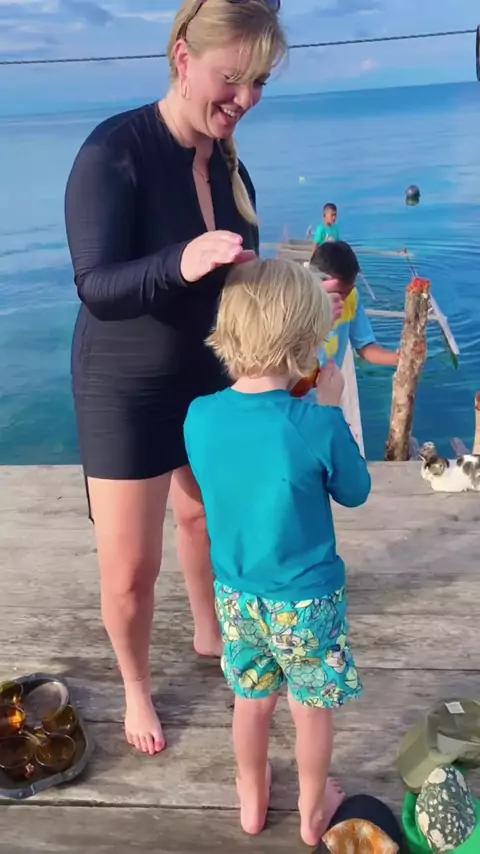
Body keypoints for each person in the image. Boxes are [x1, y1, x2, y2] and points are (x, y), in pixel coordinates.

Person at [64, 0, 287, 756]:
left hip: (208, 371)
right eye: (233, 78)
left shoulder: (229, 164)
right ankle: (135, 684)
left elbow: (237, 275)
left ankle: (208, 630)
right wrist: (178, 261)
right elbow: (96, 285)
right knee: (132, 570)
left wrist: (294, 298)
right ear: (184, 58)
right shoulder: (114, 152)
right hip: (124, 384)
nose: (245, 99)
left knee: (203, 521)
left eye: (259, 83)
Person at [184, 258, 370, 845]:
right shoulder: (314, 423)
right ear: (304, 342)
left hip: (237, 596)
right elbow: (355, 490)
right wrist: (330, 410)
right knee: (310, 708)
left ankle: (251, 798)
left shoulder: (199, 416)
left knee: (251, 700)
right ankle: (313, 813)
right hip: (307, 603)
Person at [310, 241, 399, 370]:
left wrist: (400, 359)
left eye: (349, 291)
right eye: (339, 292)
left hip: (330, 381)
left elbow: (365, 346)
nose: (342, 300)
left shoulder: (351, 297)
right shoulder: (295, 301)